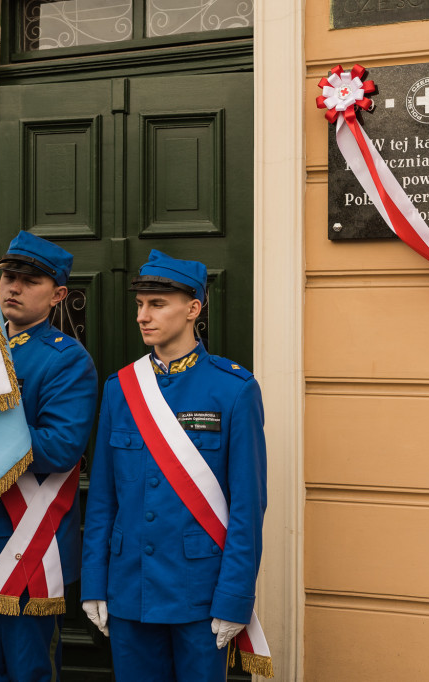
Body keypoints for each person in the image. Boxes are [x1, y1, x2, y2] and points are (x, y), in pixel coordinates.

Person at [81, 250, 268, 682]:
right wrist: (95, 581)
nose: (143, 316)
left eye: (157, 304)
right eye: (140, 305)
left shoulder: (233, 390)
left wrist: (235, 595)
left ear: (193, 309)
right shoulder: (120, 389)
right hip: (129, 588)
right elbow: (104, 498)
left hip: (199, 591)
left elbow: (247, 506)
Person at [0, 231, 98, 681]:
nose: (12, 286)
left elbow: (60, 448)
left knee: (27, 673)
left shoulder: (66, 361)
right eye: (8, 277)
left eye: (29, 280)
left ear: (58, 295)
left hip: (25, 546)